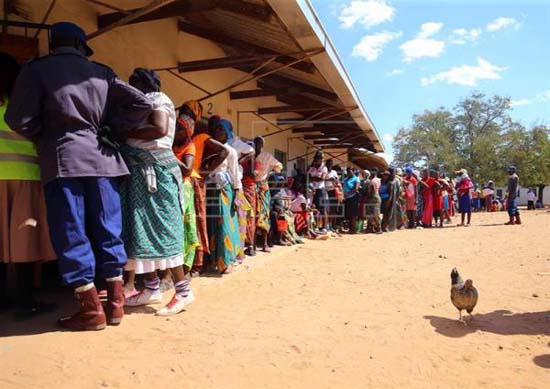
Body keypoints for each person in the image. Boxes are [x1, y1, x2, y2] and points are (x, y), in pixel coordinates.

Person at [6, 22, 153, 330]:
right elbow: (142, 103)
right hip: (104, 160)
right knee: (108, 229)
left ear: (52, 42)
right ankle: (115, 306)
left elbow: (17, 118)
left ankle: (90, 310)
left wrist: (44, 134)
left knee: (71, 231)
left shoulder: (37, 70)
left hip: (63, 159)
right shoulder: (102, 72)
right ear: (81, 45)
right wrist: (112, 127)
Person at [118, 68, 193, 316]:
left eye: (136, 83)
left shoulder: (159, 99)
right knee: (140, 232)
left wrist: (124, 133)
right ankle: (151, 288)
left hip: (156, 174)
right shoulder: (139, 103)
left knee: (164, 231)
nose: (133, 87)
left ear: (147, 83)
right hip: (139, 173)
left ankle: (183, 291)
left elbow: (160, 129)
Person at [0, 51, 57, 319]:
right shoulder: (23, 105)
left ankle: (2, 298)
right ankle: (26, 301)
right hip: (24, 175)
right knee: (24, 238)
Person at [189, 115, 227, 275]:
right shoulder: (194, 140)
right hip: (196, 181)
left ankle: (199, 262)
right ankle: (199, 261)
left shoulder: (202, 138)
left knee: (198, 220)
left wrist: (203, 171)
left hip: (197, 181)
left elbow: (223, 152)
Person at [207, 119, 242, 274]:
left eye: (222, 129)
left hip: (224, 192)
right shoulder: (209, 148)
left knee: (224, 226)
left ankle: (226, 261)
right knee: (212, 225)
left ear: (227, 132)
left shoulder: (231, 151)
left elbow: (235, 175)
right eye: (216, 129)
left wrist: (236, 196)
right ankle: (213, 261)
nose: (218, 132)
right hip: (210, 190)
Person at [254, 136, 283, 252]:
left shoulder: (266, 156)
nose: (256, 145)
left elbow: (279, 166)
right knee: (252, 215)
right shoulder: (249, 154)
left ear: (262, 145)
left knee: (264, 214)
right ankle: (252, 243)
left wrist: (270, 172)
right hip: (251, 186)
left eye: (259, 143)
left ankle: (265, 243)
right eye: (255, 143)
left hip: (263, 187)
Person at [308, 151, 328, 232]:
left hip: (320, 190)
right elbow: (308, 178)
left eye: (319, 159)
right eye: (316, 159)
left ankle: (324, 227)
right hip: (312, 190)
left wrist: (314, 178)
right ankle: (316, 226)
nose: (317, 161)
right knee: (314, 208)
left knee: (322, 209)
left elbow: (322, 178)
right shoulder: (311, 168)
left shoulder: (324, 168)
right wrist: (316, 178)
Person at [343, 167, 361, 233]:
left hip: (353, 198)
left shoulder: (356, 178)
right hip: (347, 199)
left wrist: (348, 194)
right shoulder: (346, 179)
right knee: (348, 214)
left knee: (353, 214)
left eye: (350, 172)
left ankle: (353, 229)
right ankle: (350, 228)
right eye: (348, 172)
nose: (349, 173)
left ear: (353, 171)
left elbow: (356, 188)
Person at [324, 159, 340, 232]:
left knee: (333, 209)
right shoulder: (324, 171)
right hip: (325, 191)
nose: (330, 165)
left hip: (333, 191)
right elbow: (321, 180)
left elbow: (337, 181)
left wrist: (335, 180)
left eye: (331, 164)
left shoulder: (334, 172)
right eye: (328, 164)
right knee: (326, 209)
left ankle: (332, 225)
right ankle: (326, 225)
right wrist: (328, 179)